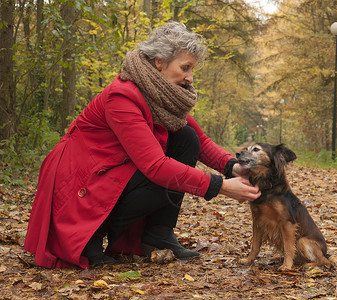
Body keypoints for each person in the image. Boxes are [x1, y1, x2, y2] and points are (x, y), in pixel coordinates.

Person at [24, 22, 261, 269]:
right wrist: (220, 187)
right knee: (164, 176)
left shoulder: (159, 94)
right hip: (81, 181)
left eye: (192, 69)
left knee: (186, 138)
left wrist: (233, 168)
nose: (190, 77)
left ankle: (158, 235)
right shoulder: (122, 96)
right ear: (159, 62)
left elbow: (199, 141)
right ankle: (91, 236)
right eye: (185, 67)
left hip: (111, 172)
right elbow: (155, 166)